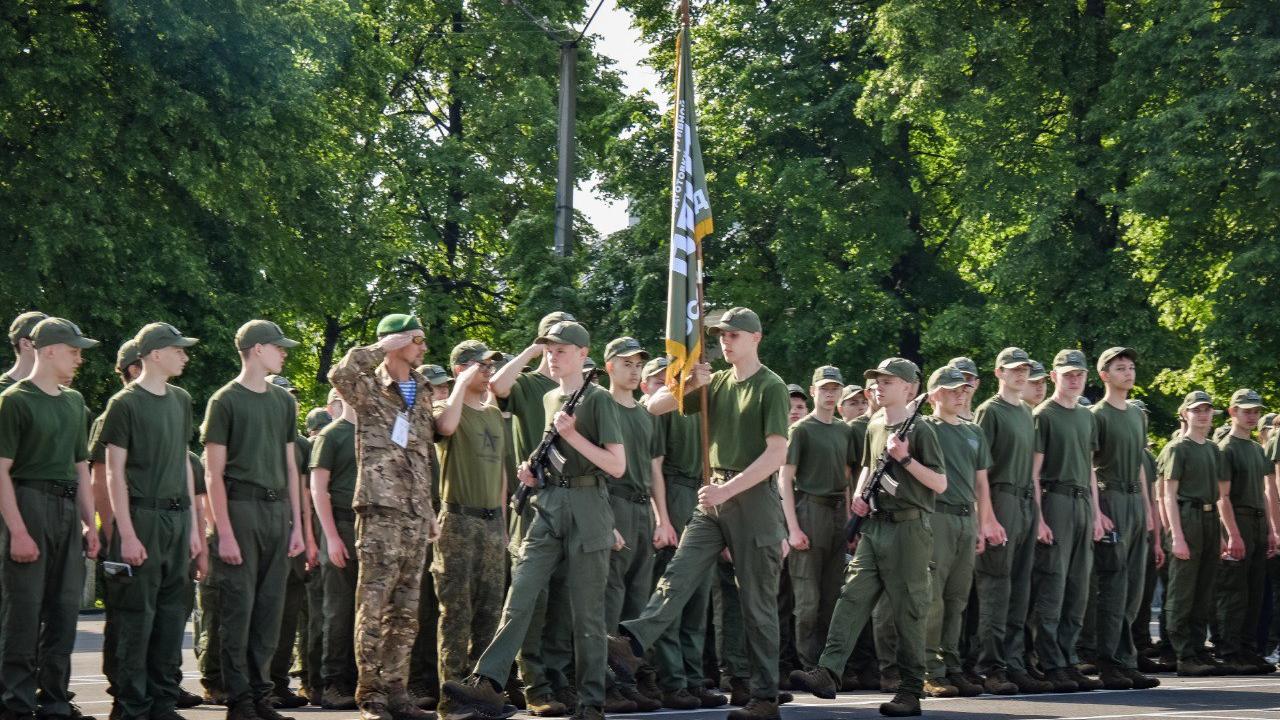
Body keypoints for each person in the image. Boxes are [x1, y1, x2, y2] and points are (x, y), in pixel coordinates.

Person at [609, 307, 790, 720]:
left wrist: (729, 488)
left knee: (757, 605)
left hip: (752, 498)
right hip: (713, 499)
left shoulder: (771, 386)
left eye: (734, 335)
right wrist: (689, 381)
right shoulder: (717, 381)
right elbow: (651, 407)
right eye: (721, 335)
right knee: (679, 575)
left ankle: (765, 698)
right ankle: (631, 643)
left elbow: (776, 452)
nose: (725, 341)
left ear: (756, 338)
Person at [442, 319, 624, 720]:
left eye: (561, 350)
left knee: (586, 611)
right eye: (549, 350)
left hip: (589, 503)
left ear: (581, 353)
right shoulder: (547, 399)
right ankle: (488, 682)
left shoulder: (598, 400)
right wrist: (532, 473)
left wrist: (574, 437)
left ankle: (592, 702)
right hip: (548, 503)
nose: (553, 357)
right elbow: (550, 455)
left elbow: (616, 465)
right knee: (520, 594)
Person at [789, 357, 947, 718]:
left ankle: (910, 690)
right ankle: (828, 671)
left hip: (909, 527)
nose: (878, 386)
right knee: (852, 597)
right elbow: (867, 467)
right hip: (875, 526)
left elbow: (940, 483)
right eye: (877, 380)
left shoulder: (922, 431)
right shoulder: (875, 423)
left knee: (908, 610)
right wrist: (860, 498)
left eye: (888, 381)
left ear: (909, 388)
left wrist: (906, 460)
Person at [328, 314, 441, 720]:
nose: (423, 348)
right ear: (395, 342)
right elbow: (338, 373)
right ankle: (370, 694)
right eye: (416, 340)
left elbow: (424, 453)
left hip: (413, 511)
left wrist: (428, 510)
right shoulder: (369, 386)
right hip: (380, 510)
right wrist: (384, 346)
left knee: (406, 611)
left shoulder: (424, 389)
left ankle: (397, 692)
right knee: (372, 606)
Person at [203, 320, 307, 720]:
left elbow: (289, 464)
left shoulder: (284, 403)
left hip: (276, 509)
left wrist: (296, 524)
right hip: (241, 508)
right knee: (238, 609)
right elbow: (213, 472)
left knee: (269, 609)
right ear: (258, 348)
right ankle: (240, 699)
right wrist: (223, 531)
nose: (284, 353)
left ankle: (261, 696)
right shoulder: (225, 400)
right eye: (279, 347)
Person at [99, 322, 203, 720]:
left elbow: (181, 462)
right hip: (142, 516)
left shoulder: (181, 400)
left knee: (170, 615)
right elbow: (113, 473)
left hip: (177, 519)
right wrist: (125, 533)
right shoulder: (125, 403)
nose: (185, 356)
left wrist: (193, 528)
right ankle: (131, 706)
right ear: (155, 354)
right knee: (136, 618)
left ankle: (162, 702)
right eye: (178, 349)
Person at [0, 318, 101, 720]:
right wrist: (18, 531)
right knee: (23, 610)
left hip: (65, 507)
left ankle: (55, 700)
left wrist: (90, 524)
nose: (79, 358)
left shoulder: (75, 402)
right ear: (48, 350)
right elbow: (1, 470)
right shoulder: (14, 400)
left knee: (63, 610)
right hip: (28, 502)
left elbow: (81, 468)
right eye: (74, 350)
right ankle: (16, 704)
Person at [487, 311, 577, 716]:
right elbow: (497, 385)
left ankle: (558, 680)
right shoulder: (527, 385)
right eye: (550, 341)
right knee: (532, 599)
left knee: (563, 598)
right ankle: (534, 685)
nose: (556, 349)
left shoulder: (578, 387)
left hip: (571, 503)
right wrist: (532, 350)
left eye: (563, 343)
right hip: (534, 503)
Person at [640, 358, 726, 710]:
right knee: (671, 594)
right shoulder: (660, 411)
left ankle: (693, 679)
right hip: (673, 493)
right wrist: (663, 517)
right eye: (659, 378)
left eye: (670, 375)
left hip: (700, 492)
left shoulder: (696, 407)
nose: (667, 381)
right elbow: (654, 468)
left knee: (697, 598)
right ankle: (672, 681)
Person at [430, 341, 508, 713]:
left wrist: (505, 524)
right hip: (459, 521)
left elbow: (501, 476)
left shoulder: (494, 414)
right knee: (456, 613)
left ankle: (483, 694)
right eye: (483, 365)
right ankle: (452, 699)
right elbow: (445, 426)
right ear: (461, 368)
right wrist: (460, 383)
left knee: (490, 613)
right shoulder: (446, 406)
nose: (490, 371)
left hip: (493, 523)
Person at [972, 347, 1049, 695]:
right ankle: (990, 667)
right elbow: (980, 470)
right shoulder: (990, 411)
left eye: (1025, 369)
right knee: (995, 588)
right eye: (1013, 369)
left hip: (1024, 501)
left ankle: (1014, 662)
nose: (1021, 375)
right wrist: (985, 516)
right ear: (999, 372)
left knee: (1020, 589)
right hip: (1000, 497)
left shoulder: (1026, 412)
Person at [922, 366, 1002, 699]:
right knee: (934, 599)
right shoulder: (925, 429)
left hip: (966, 520)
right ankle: (931, 670)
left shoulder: (974, 432)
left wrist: (985, 522)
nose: (961, 393)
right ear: (934, 394)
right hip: (937, 517)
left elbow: (981, 482)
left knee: (957, 599)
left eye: (963, 389)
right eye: (952, 389)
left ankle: (953, 667)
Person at [1030, 349, 1106, 693]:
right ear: (1054, 377)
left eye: (1079, 374)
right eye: (1068, 374)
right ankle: (1050, 662)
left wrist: (1096, 514)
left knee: (1079, 588)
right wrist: (1040, 518)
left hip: (1080, 502)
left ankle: (1068, 656)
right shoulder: (1043, 415)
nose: (1074, 379)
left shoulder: (1087, 417)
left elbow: (1090, 469)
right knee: (1053, 585)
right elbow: (1033, 472)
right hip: (1055, 499)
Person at [1090, 348, 1160, 690]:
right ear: (1104, 375)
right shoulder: (1097, 415)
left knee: (1134, 588)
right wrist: (1097, 511)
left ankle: (1127, 659)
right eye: (1120, 368)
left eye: (1131, 367)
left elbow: (1140, 467)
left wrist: (1147, 510)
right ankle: (1109, 662)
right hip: (1111, 496)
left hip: (1134, 497)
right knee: (1114, 585)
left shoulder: (1136, 414)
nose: (1128, 373)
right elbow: (1090, 466)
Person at [778, 366, 854, 677]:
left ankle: (827, 666)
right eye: (824, 388)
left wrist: (851, 524)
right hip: (809, 510)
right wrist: (793, 528)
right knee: (807, 601)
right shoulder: (802, 430)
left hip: (838, 512)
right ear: (813, 391)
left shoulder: (844, 430)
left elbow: (848, 480)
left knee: (832, 598)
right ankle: (808, 664)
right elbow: (785, 479)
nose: (830, 394)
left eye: (835, 388)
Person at [1160, 391, 1225, 676]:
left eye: (1207, 410)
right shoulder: (1178, 448)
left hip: (1210, 518)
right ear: (1184, 413)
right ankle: (1183, 654)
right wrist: (1176, 536)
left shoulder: (1212, 449)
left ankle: (1199, 649)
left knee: (1204, 590)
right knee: (1183, 591)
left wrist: (1222, 532)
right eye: (1196, 410)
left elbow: (1220, 495)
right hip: (1187, 516)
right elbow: (1168, 496)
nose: (1202, 414)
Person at [1215, 389, 1273, 674]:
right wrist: (1232, 534)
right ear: (1232, 412)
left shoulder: (1256, 448)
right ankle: (1230, 650)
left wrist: (1272, 529)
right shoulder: (1226, 448)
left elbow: (1264, 492)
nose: (1252, 416)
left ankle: (1248, 649)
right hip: (1238, 518)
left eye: (1255, 411)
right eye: (1246, 410)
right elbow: (1222, 497)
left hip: (1259, 521)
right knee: (1234, 591)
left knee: (1255, 590)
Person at [310, 388, 360, 711]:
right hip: (340, 524)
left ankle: (358, 681)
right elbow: (318, 489)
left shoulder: (375, 432)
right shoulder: (332, 435)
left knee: (366, 612)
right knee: (338, 611)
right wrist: (330, 537)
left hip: (370, 526)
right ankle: (333, 683)